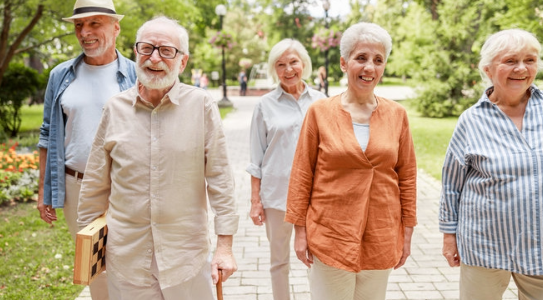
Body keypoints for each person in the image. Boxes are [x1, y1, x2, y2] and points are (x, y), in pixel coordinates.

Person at [77, 16, 239, 299]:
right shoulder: (114, 109)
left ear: (182, 61)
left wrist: (224, 247)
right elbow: (94, 183)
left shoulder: (202, 106)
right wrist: (89, 245)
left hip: (185, 260)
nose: (154, 58)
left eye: (166, 50)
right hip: (126, 261)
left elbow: (221, 180)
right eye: (147, 48)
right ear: (136, 52)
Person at [284, 22, 417, 300]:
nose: (370, 67)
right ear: (344, 63)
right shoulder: (319, 112)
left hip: (381, 234)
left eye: (378, 60)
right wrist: (300, 231)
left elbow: (407, 176)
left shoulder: (397, 115)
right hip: (330, 235)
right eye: (361, 58)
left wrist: (407, 231)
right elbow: (301, 173)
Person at [439, 28, 543, 300]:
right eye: (510, 61)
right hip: (486, 244)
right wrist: (449, 236)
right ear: (488, 69)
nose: (521, 68)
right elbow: (452, 183)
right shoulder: (471, 120)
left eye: (530, 60)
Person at [36, 0, 136, 298]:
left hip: (126, 184)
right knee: (95, 265)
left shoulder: (137, 74)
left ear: (116, 28)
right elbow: (46, 134)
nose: (85, 32)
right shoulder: (60, 75)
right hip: (76, 187)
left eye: (95, 23)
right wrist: (44, 191)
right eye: (80, 25)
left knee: (132, 261)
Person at [247, 39, 326, 300]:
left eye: (293, 62)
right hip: (276, 195)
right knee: (279, 261)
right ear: (274, 69)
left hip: (316, 196)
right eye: (280, 64)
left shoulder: (321, 101)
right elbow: (256, 157)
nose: (288, 69)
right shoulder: (264, 105)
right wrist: (255, 201)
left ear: (304, 64)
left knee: (318, 259)